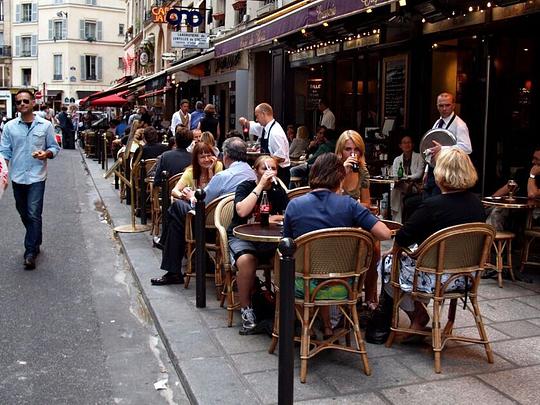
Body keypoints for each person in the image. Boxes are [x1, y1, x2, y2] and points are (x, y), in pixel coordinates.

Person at [367, 148, 485, 344]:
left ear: (441, 174)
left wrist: (395, 251)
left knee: (388, 263)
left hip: (436, 277)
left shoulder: (434, 205)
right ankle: (417, 316)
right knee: (403, 260)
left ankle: (416, 316)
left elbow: (403, 237)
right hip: (465, 277)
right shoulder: (477, 204)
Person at [284, 153, 391, 337]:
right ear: (340, 178)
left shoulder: (295, 205)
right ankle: (327, 326)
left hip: (305, 285)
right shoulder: (349, 205)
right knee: (323, 270)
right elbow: (385, 233)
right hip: (343, 285)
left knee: (299, 269)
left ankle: (305, 328)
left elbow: (285, 245)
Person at [151, 137, 256, 285]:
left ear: (225, 155)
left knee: (176, 208)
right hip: (236, 221)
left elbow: (201, 201)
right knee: (177, 219)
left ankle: (170, 259)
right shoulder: (251, 173)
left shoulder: (223, 175)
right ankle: (176, 257)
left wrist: (189, 196)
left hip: (212, 221)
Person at [0, 89, 60, 270]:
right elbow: (4, 152)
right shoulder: (9, 127)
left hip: (36, 177)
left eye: (26, 101)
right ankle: (36, 238)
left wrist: (46, 153)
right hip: (18, 177)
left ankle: (30, 253)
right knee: (23, 212)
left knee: (34, 212)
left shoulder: (45, 125)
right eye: (18, 102)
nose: (22, 104)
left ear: (33, 102)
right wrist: (2, 174)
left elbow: (54, 147)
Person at [228, 156, 289, 334]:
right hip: (242, 236)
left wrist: (274, 218)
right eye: (265, 168)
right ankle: (247, 310)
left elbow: (289, 214)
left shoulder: (279, 191)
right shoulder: (245, 187)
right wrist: (260, 185)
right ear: (256, 171)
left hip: (268, 239)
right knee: (247, 260)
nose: (270, 172)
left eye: (274, 168)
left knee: (283, 258)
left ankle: (280, 308)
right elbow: (242, 211)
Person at [423, 92, 472, 197]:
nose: (444, 108)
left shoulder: (460, 125)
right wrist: (427, 170)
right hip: (434, 170)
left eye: (447, 105)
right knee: (427, 200)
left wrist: (443, 149)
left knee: (437, 203)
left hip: (448, 172)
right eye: (441, 105)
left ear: (453, 105)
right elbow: (431, 148)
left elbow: (467, 148)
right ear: (437, 106)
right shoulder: (437, 122)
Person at [486, 146, 540, 231]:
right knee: (483, 209)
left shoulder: (532, 173)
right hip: (517, 207)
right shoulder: (529, 170)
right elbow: (510, 186)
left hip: (533, 212)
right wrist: (491, 200)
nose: (533, 161)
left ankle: (493, 242)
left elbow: (532, 194)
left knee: (497, 212)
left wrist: (532, 175)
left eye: (537, 159)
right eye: (533, 158)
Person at [239, 103, 290, 185]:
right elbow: (251, 125)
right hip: (269, 171)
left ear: (263, 114)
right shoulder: (265, 128)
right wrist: (244, 122)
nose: (256, 119)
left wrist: (260, 162)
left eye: (257, 116)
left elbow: (281, 157)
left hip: (280, 173)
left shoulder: (275, 132)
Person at [390, 136, 424, 222]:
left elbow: (419, 174)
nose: (407, 144)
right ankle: (398, 219)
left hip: (415, 186)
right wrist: (404, 178)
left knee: (396, 189)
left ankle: (395, 217)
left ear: (412, 145)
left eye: (409, 142)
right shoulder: (397, 159)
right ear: (400, 146)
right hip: (402, 185)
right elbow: (395, 174)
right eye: (404, 143)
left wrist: (406, 177)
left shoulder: (419, 157)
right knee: (396, 188)